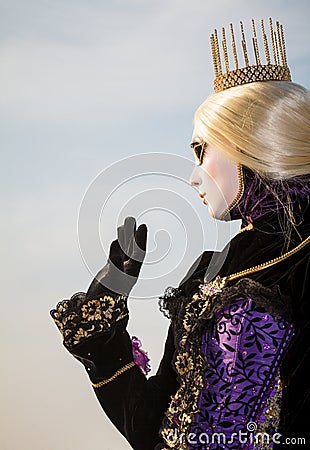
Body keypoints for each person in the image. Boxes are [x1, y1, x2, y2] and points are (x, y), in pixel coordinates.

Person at [50, 18, 310, 449]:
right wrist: (107, 315)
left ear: (251, 145)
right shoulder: (212, 271)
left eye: (201, 149)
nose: (194, 175)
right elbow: (155, 432)